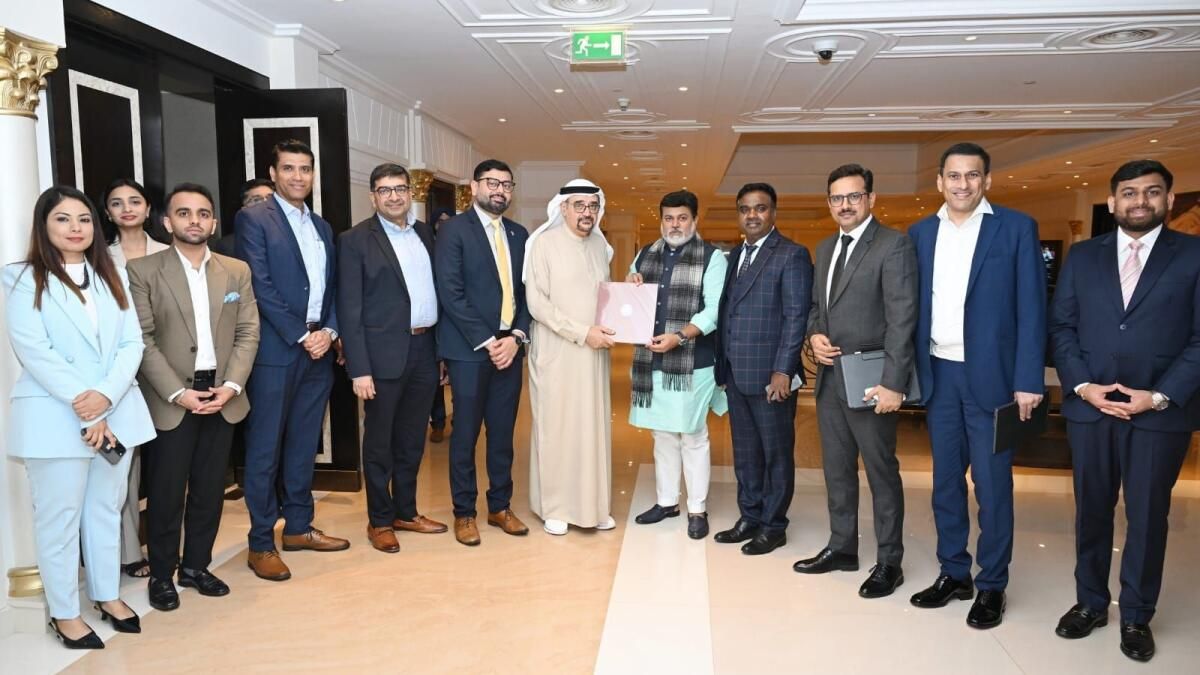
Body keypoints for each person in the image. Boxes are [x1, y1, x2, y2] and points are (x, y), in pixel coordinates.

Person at [1050, 159, 1200, 662]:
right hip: (1092, 409)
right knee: (1091, 510)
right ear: (1113, 201)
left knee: (1148, 516)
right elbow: (1062, 328)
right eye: (1130, 193)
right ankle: (1090, 603)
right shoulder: (1083, 257)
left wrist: (1158, 395)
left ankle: (1136, 615)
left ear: (1169, 200)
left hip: (1159, 413)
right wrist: (1083, 386)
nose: (1140, 201)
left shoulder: (1193, 255)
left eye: (1152, 192)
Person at [4, 186, 156, 648]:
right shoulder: (21, 279)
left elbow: (131, 343)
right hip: (55, 418)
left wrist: (104, 398)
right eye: (63, 219)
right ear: (44, 226)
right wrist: (84, 403)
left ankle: (107, 594)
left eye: (84, 219)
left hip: (115, 412)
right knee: (60, 519)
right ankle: (65, 612)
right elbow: (35, 350)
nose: (76, 228)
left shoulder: (112, 274)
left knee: (106, 510)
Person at [907, 142, 1046, 629]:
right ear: (939, 181)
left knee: (992, 486)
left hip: (994, 380)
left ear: (986, 180)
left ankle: (992, 585)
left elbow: (1033, 308)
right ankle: (954, 573)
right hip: (939, 374)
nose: (962, 184)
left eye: (972, 175)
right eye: (953, 175)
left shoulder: (1016, 228)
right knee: (945, 483)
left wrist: (1028, 378)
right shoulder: (921, 233)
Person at [127, 183, 260, 611]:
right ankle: (162, 574)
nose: (194, 220)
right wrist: (178, 392)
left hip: (222, 392)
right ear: (167, 222)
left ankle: (196, 566)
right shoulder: (143, 271)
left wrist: (232, 386)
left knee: (209, 488)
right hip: (172, 396)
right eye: (184, 213)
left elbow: (247, 332)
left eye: (203, 213)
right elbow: (143, 339)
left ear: (214, 222)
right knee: (167, 491)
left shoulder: (235, 270)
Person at [794, 164, 917, 599]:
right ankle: (843, 548)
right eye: (837, 198)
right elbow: (816, 307)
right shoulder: (826, 247)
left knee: (881, 471)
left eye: (853, 196)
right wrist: (815, 334)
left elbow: (902, 318)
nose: (844, 205)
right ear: (828, 203)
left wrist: (894, 383)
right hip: (831, 379)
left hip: (871, 380)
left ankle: (889, 562)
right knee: (837, 470)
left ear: (871, 199)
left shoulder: (893, 245)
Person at [235, 139, 349, 582]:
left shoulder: (321, 226)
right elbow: (259, 285)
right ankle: (261, 542)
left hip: (318, 351)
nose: (298, 176)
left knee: (304, 446)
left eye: (305, 169)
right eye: (289, 168)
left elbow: (333, 287)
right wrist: (302, 335)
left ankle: (299, 527)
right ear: (273, 172)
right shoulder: (254, 219)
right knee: (265, 450)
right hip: (277, 352)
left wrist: (329, 333)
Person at [338, 164, 446, 554]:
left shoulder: (424, 234)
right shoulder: (354, 240)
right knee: (380, 444)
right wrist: (359, 369)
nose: (394, 196)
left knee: (412, 440)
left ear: (410, 193)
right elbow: (349, 309)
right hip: (380, 357)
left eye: (400, 189)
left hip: (424, 350)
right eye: (385, 190)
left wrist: (441, 353)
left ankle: (406, 511)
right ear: (373, 197)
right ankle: (380, 520)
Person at [435, 160, 531, 546]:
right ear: (474, 187)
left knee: (503, 435)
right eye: (492, 183)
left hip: (510, 348)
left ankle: (500, 507)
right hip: (470, 350)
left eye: (506, 184)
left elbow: (528, 294)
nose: (500, 190)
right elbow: (451, 292)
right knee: (465, 435)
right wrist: (489, 342)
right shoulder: (453, 230)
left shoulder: (519, 234)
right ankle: (464, 512)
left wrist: (516, 337)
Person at [713, 183, 812, 556]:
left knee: (775, 454)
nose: (752, 215)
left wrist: (783, 370)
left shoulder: (791, 255)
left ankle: (774, 525)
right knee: (745, 453)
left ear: (773, 212)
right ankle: (750, 516)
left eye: (760, 208)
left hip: (772, 376)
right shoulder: (736, 254)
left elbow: (795, 317)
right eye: (745, 209)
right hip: (736, 373)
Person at [626, 190, 728, 539]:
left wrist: (680, 336)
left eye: (682, 218)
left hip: (692, 362)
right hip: (651, 358)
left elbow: (714, 311)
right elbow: (632, 293)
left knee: (693, 435)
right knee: (663, 434)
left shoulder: (712, 258)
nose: (675, 224)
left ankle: (697, 509)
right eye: (668, 218)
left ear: (695, 220)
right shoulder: (645, 254)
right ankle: (667, 502)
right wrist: (632, 281)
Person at [524, 179, 616, 536]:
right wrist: (581, 332)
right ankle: (556, 507)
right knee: (558, 428)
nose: (587, 213)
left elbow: (603, 296)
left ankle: (593, 506)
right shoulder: (544, 244)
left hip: (593, 354)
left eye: (593, 206)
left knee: (592, 427)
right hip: (558, 352)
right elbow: (538, 304)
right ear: (563, 208)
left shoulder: (599, 245)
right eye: (579, 205)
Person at [101, 177, 169, 580]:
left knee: (168, 463)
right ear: (108, 213)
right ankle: (129, 550)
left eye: (134, 201)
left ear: (147, 209)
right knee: (125, 466)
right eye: (117, 203)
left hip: (164, 367)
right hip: (121, 369)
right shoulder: (98, 258)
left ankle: (167, 543)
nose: (126, 208)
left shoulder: (168, 252)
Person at [427, 207, 454, 443]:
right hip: (432, 322)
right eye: (440, 221)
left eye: (448, 221)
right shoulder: (428, 246)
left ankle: (458, 420)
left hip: (455, 321)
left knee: (456, 376)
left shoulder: (457, 244)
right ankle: (437, 423)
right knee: (435, 377)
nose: (443, 225)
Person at [210, 178, 274, 258]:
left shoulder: (287, 235)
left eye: (270, 198)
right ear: (244, 209)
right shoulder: (228, 246)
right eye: (256, 200)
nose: (265, 203)